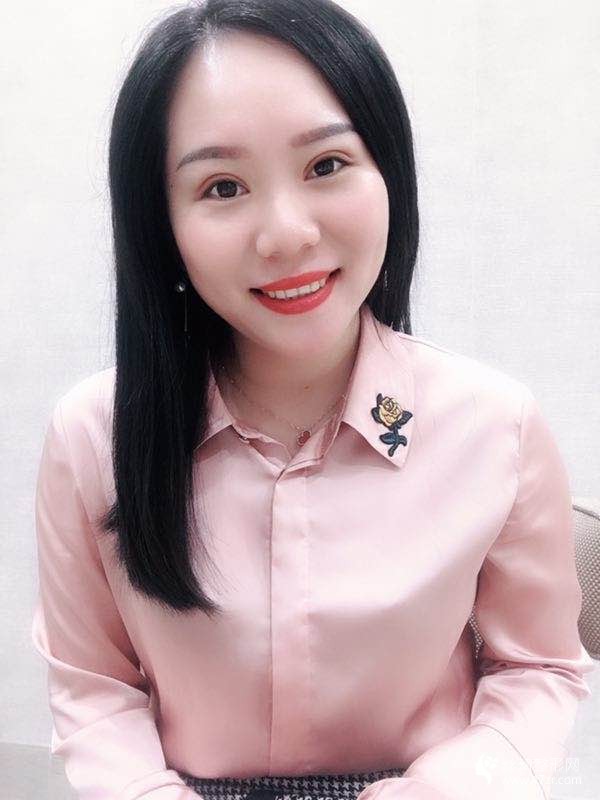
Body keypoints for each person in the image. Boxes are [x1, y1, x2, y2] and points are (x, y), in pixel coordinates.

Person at [31, 1, 596, 799]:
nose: (287, 234)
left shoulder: (494, 425)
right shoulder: (94, 435)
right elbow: (94, 690)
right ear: (164, 226)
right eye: (223, 186)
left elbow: (537, 668)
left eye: (326, 166)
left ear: (388, 171)